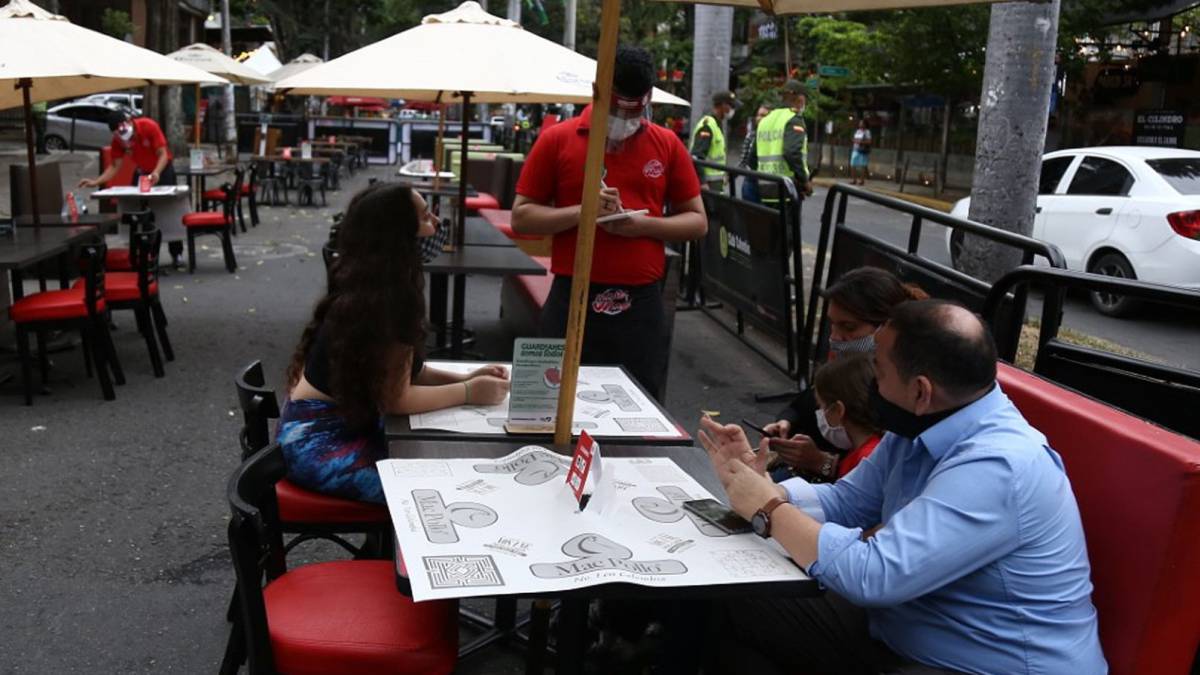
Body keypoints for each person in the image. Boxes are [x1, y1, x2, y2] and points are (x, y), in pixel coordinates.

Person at [699, 299, 1106, 675]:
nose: (871, 380)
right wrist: (761, 486)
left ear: (920, 390)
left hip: (989, 664)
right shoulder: (922, 422)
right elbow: (850, 500)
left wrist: (770, 509)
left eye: (878, 368)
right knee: (728, 603)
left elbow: (874, 575)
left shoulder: (1000, 466)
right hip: (906, 628)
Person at [278, 184, 511, 504]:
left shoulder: (371, 285)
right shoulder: (391, 301)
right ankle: (384, 553)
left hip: (319, 425)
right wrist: (469, 393)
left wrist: (467, 379)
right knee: (428, 494)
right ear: (398, 236)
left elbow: (404, 374)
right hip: (318, 444)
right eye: (425, 216)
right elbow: (397, 400)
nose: (436, 223)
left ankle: (376, 550)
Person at [511, 44, 706, 399]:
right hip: (573, 292)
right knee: (550, 401)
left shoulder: (667, 143)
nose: (623, 123)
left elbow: (697, 222)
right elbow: (523, 216)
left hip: (641, 302)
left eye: (633, 113)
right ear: (598, 92)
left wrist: (643, 225)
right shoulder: (558, 139)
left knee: (638, 403)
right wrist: (584, 213)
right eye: (616, 111)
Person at [765, 267, 926, 455]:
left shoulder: (899, 393)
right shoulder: (843, 364)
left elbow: (871, 473)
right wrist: (786, 421)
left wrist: (821, 464)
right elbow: (809, 400)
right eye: (832, 324)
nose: (835, 337)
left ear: (887, 327)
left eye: (848, 327)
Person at [79, 109, 184, 264]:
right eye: (118, 134)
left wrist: (156, 173)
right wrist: (96, 181)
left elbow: (162, 154)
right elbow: (114, 166)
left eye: (124, 131)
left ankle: (176, 253)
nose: (125, 138)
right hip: (142, 172)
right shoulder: (118, 141)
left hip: (162, 169)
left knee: (168, 208)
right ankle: (148, 254)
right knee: (139, 209)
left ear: (129, 122)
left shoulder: (148, 126)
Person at [768, 353, 881, 483]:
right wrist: (817, 461)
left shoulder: (867, 460)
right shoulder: (864, 448)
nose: (820, 414)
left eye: (821, 406)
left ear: (838, 410)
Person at [745, 80, 811, 204]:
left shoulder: (766, 120)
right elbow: (792, 152)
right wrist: (804, 181)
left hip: (765, 189)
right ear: (800, 99)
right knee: (789, 223)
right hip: (787, 189)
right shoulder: (794, 119)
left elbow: (752, 158)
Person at [689, 90, 737, 191]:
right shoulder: (707, 126)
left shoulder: (717, 124)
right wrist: (702, 182)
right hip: (708, 184)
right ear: (723, 106)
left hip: (716, 183)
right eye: (731, 106)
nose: (733, 109)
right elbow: (696, 156)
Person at [738, 104, 770, 203]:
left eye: (763, 115)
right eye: (758, 115)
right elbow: (743, 161)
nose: (759, 118)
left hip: (768, 180)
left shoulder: (774, 136)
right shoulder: (751, 135)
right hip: (751, 179)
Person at [850, 118, 872, 185]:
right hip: (855, 149)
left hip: (862, 150)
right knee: (853, 164)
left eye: (861, 123)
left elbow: (869, 141)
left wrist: (860, 142)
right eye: (860, 123)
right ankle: (854, 179)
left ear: (865, 124)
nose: (860, 124)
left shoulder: (867, 132)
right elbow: (855, 139)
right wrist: (854, 140)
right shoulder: (858, 131)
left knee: (862, 165)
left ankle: (862, 180)